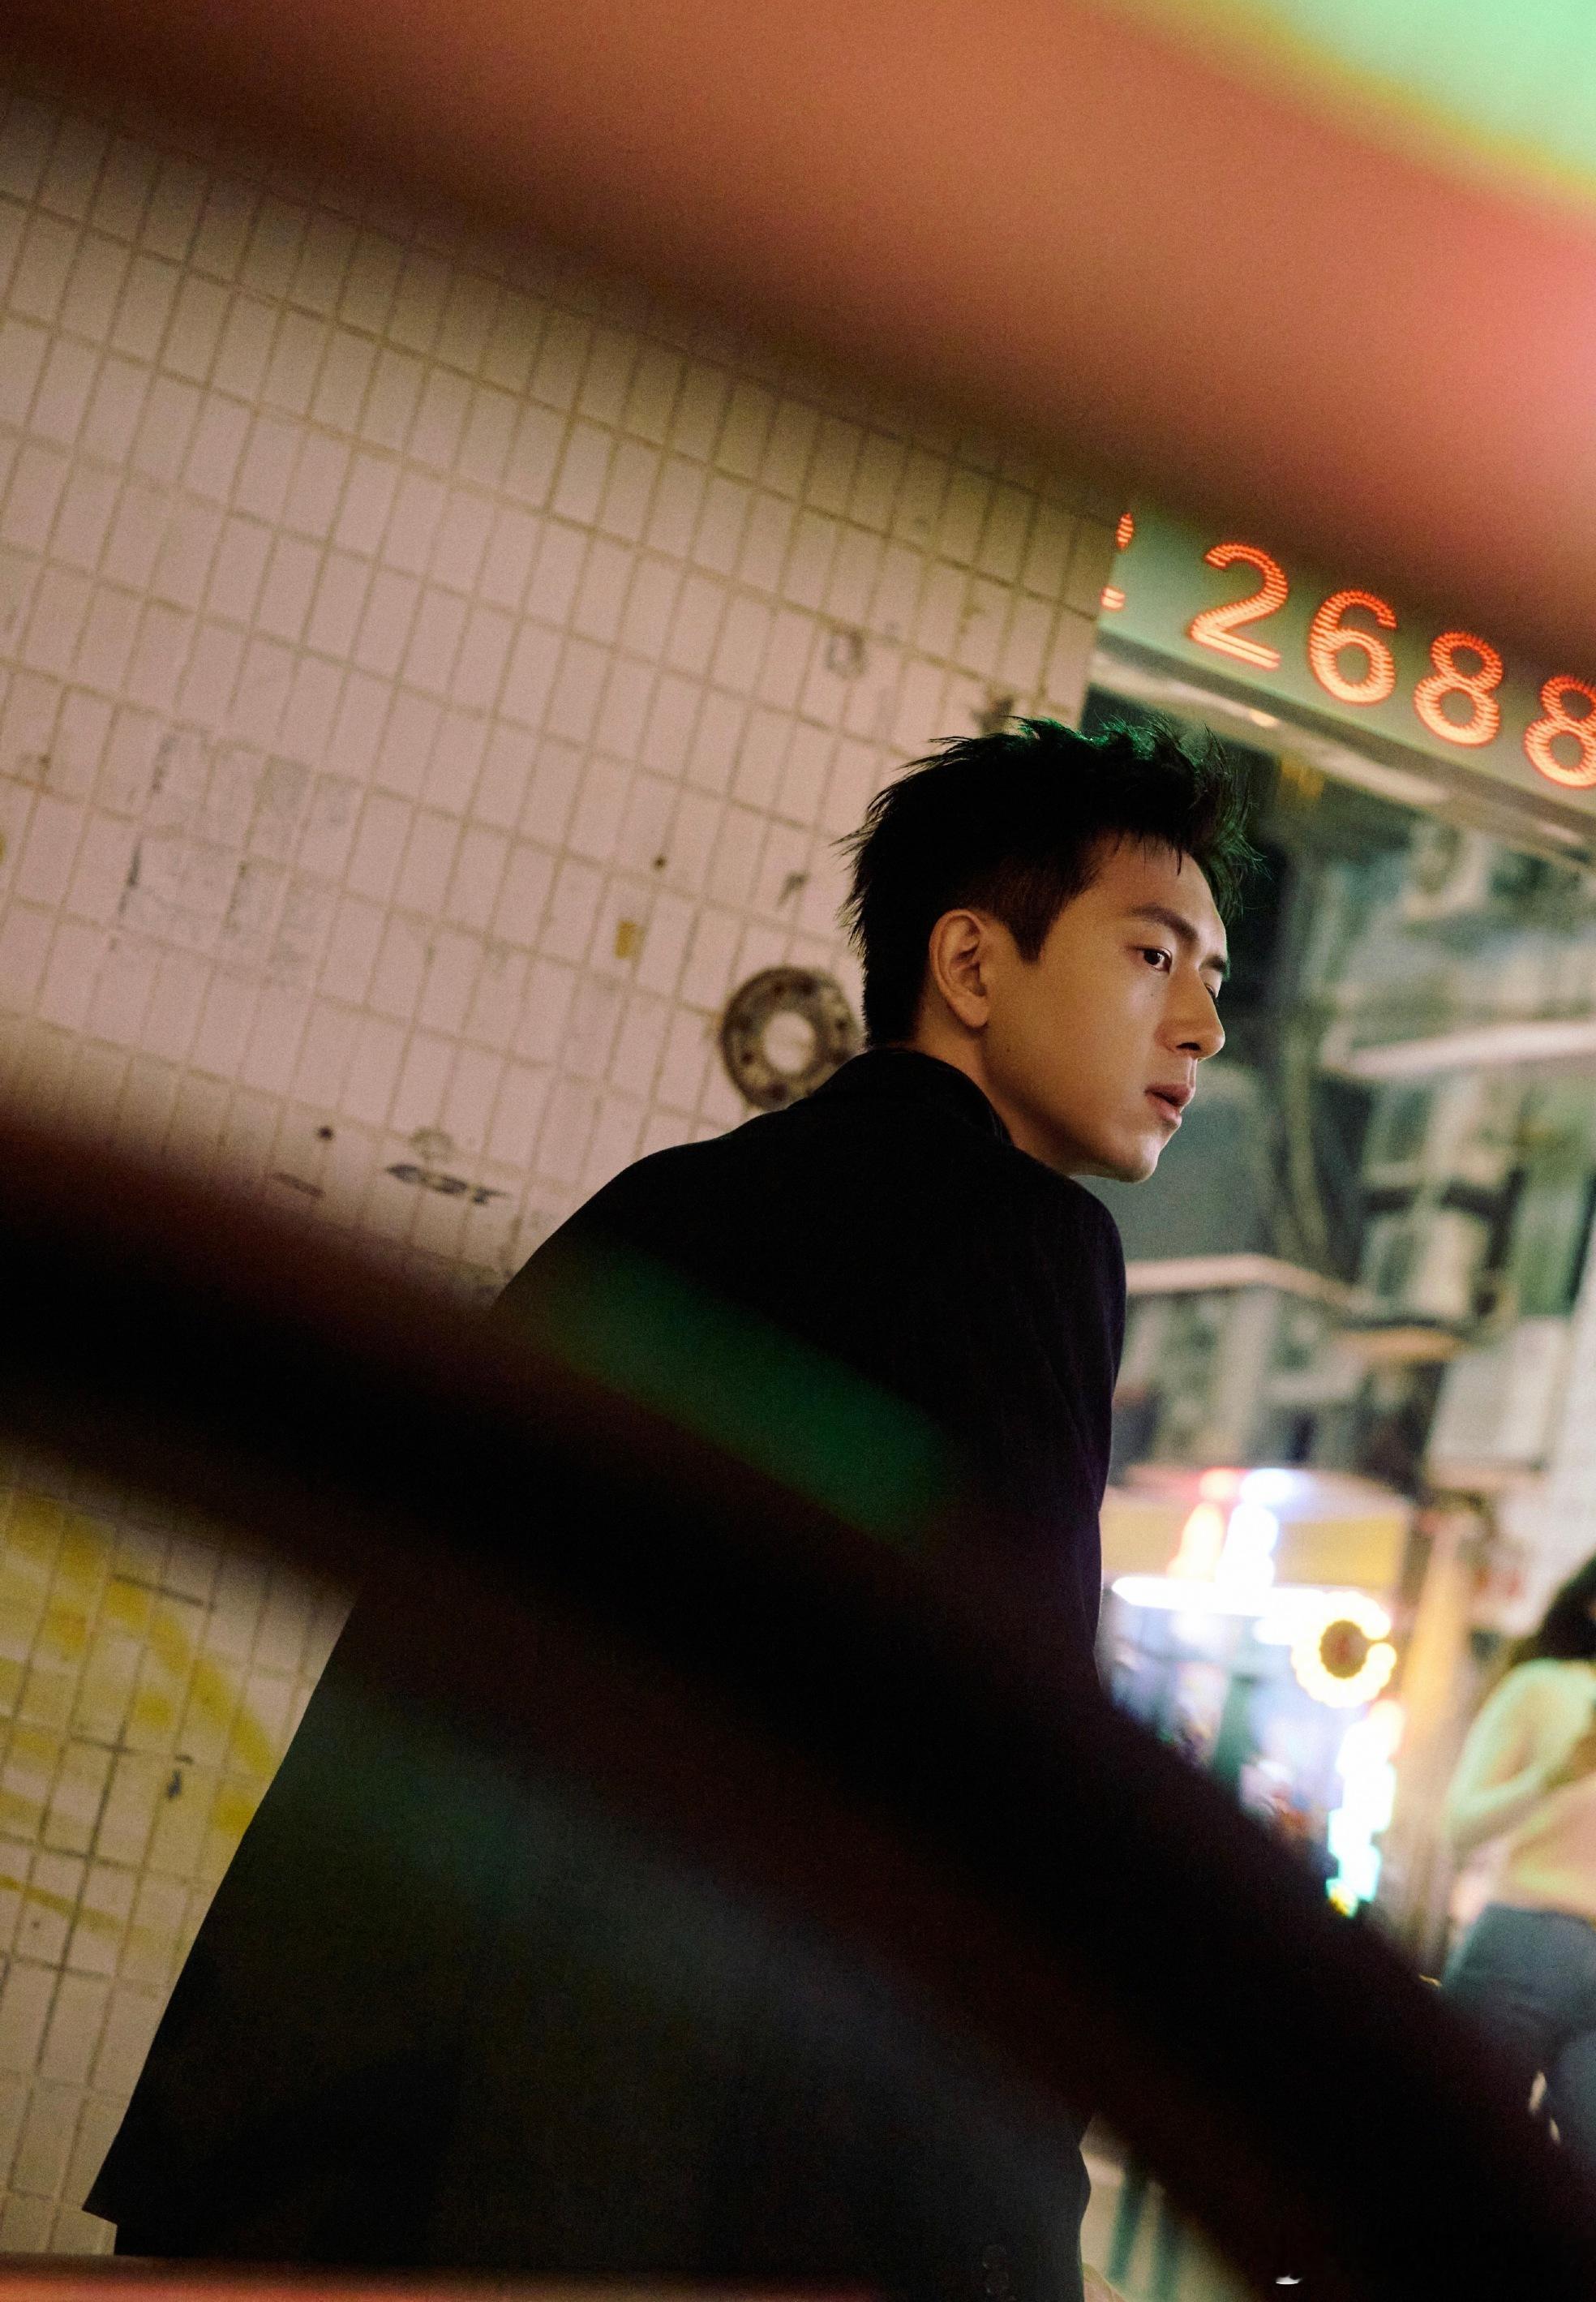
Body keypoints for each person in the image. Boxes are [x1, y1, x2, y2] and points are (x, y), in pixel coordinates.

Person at [88, 716, 1248, 2300]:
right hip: (669, 2154)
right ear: (972, 964)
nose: (1202, 1023)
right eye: (1153, 953)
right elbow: (1000, 1746)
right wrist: (1010, 2220)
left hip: (341, 2101)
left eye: (1214, 978)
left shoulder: (664, 1199)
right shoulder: (1023, 1238)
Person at [1444, 1536, 1596, 2214]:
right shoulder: (1543, 1688)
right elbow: (1459, 1826)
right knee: (1451, 2151)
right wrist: (1557, 1774)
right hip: (1522, 1947)